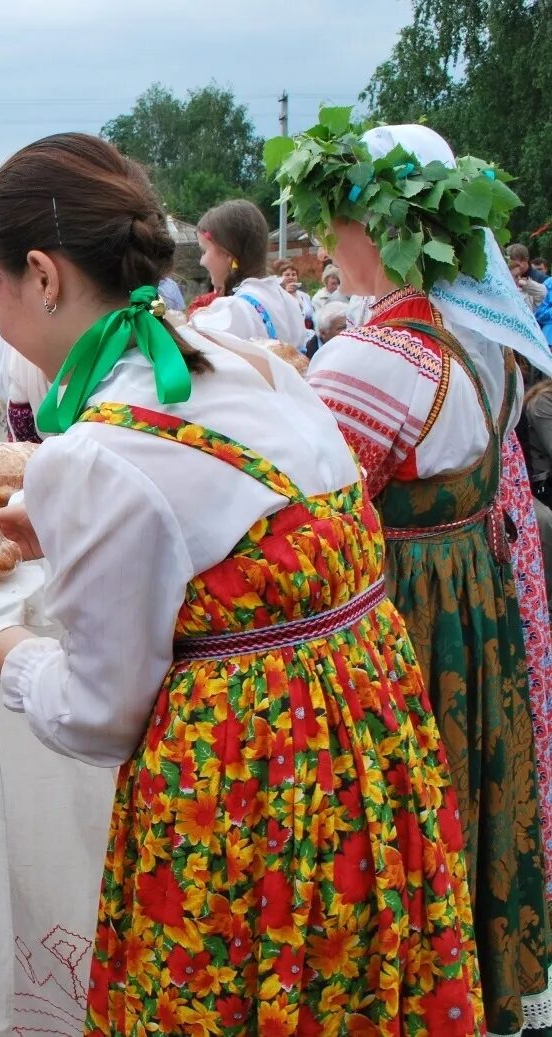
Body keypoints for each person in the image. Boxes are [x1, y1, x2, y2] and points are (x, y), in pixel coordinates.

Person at [0, 131, 481, 1034]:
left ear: (41, 276)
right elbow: (225, 544)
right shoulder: (251, 365)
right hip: (368, 758)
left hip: (251, 805)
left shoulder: (94, 452)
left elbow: (97, 714)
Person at [276, 113, 552, 1033]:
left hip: (402, 611)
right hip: (473, 599)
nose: (325, 240)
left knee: (396, 813)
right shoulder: (482, 337)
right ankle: (475, 982)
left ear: (386, 226)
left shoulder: (371, 357)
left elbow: (302, 504)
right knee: (465, 786)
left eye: (336, 217)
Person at [190, 199, 307, 345]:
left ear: (228, 253)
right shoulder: (288, 301)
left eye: (204, 251)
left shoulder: (236, 311)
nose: (202, 261)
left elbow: (190, 342)